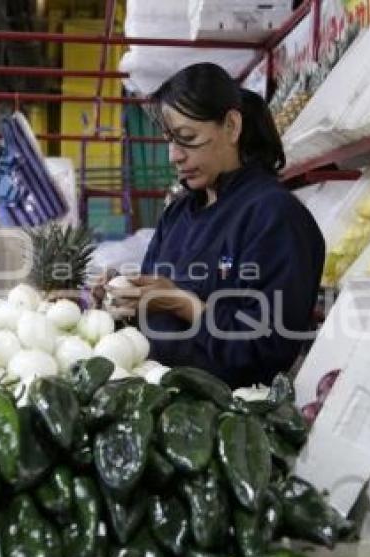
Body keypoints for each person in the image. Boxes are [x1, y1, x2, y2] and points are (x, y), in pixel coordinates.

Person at [104, 63, 325, 389]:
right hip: (155, 398)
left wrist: (184, 304)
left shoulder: (275, 216)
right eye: (170, 140)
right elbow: (151, 305)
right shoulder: (179, 212)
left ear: (232, 126)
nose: (174, 156)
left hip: (228, 418)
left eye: (188, 138)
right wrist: (123, 301)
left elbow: (268, 346)